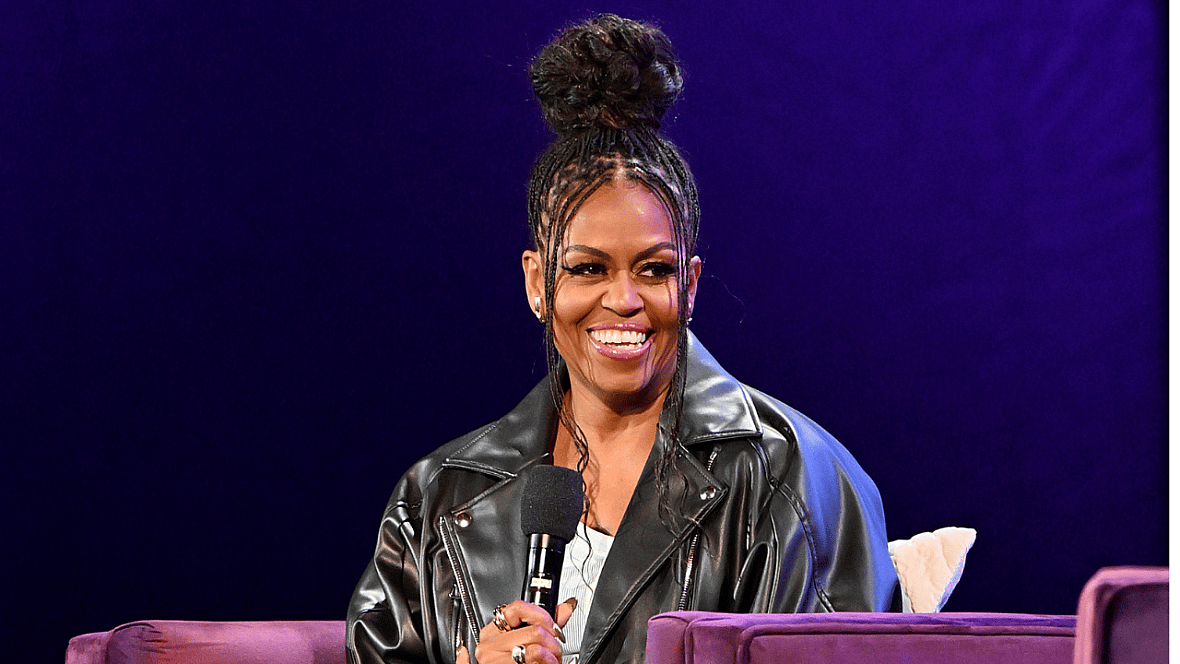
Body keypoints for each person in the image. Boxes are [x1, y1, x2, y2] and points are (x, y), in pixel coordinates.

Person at [347, 14, 898, 664]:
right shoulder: (436, 500)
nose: (623, 299)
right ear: (536, 283)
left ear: (690, 285)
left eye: (654, 269)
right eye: (587, 268)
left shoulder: (789, 477)